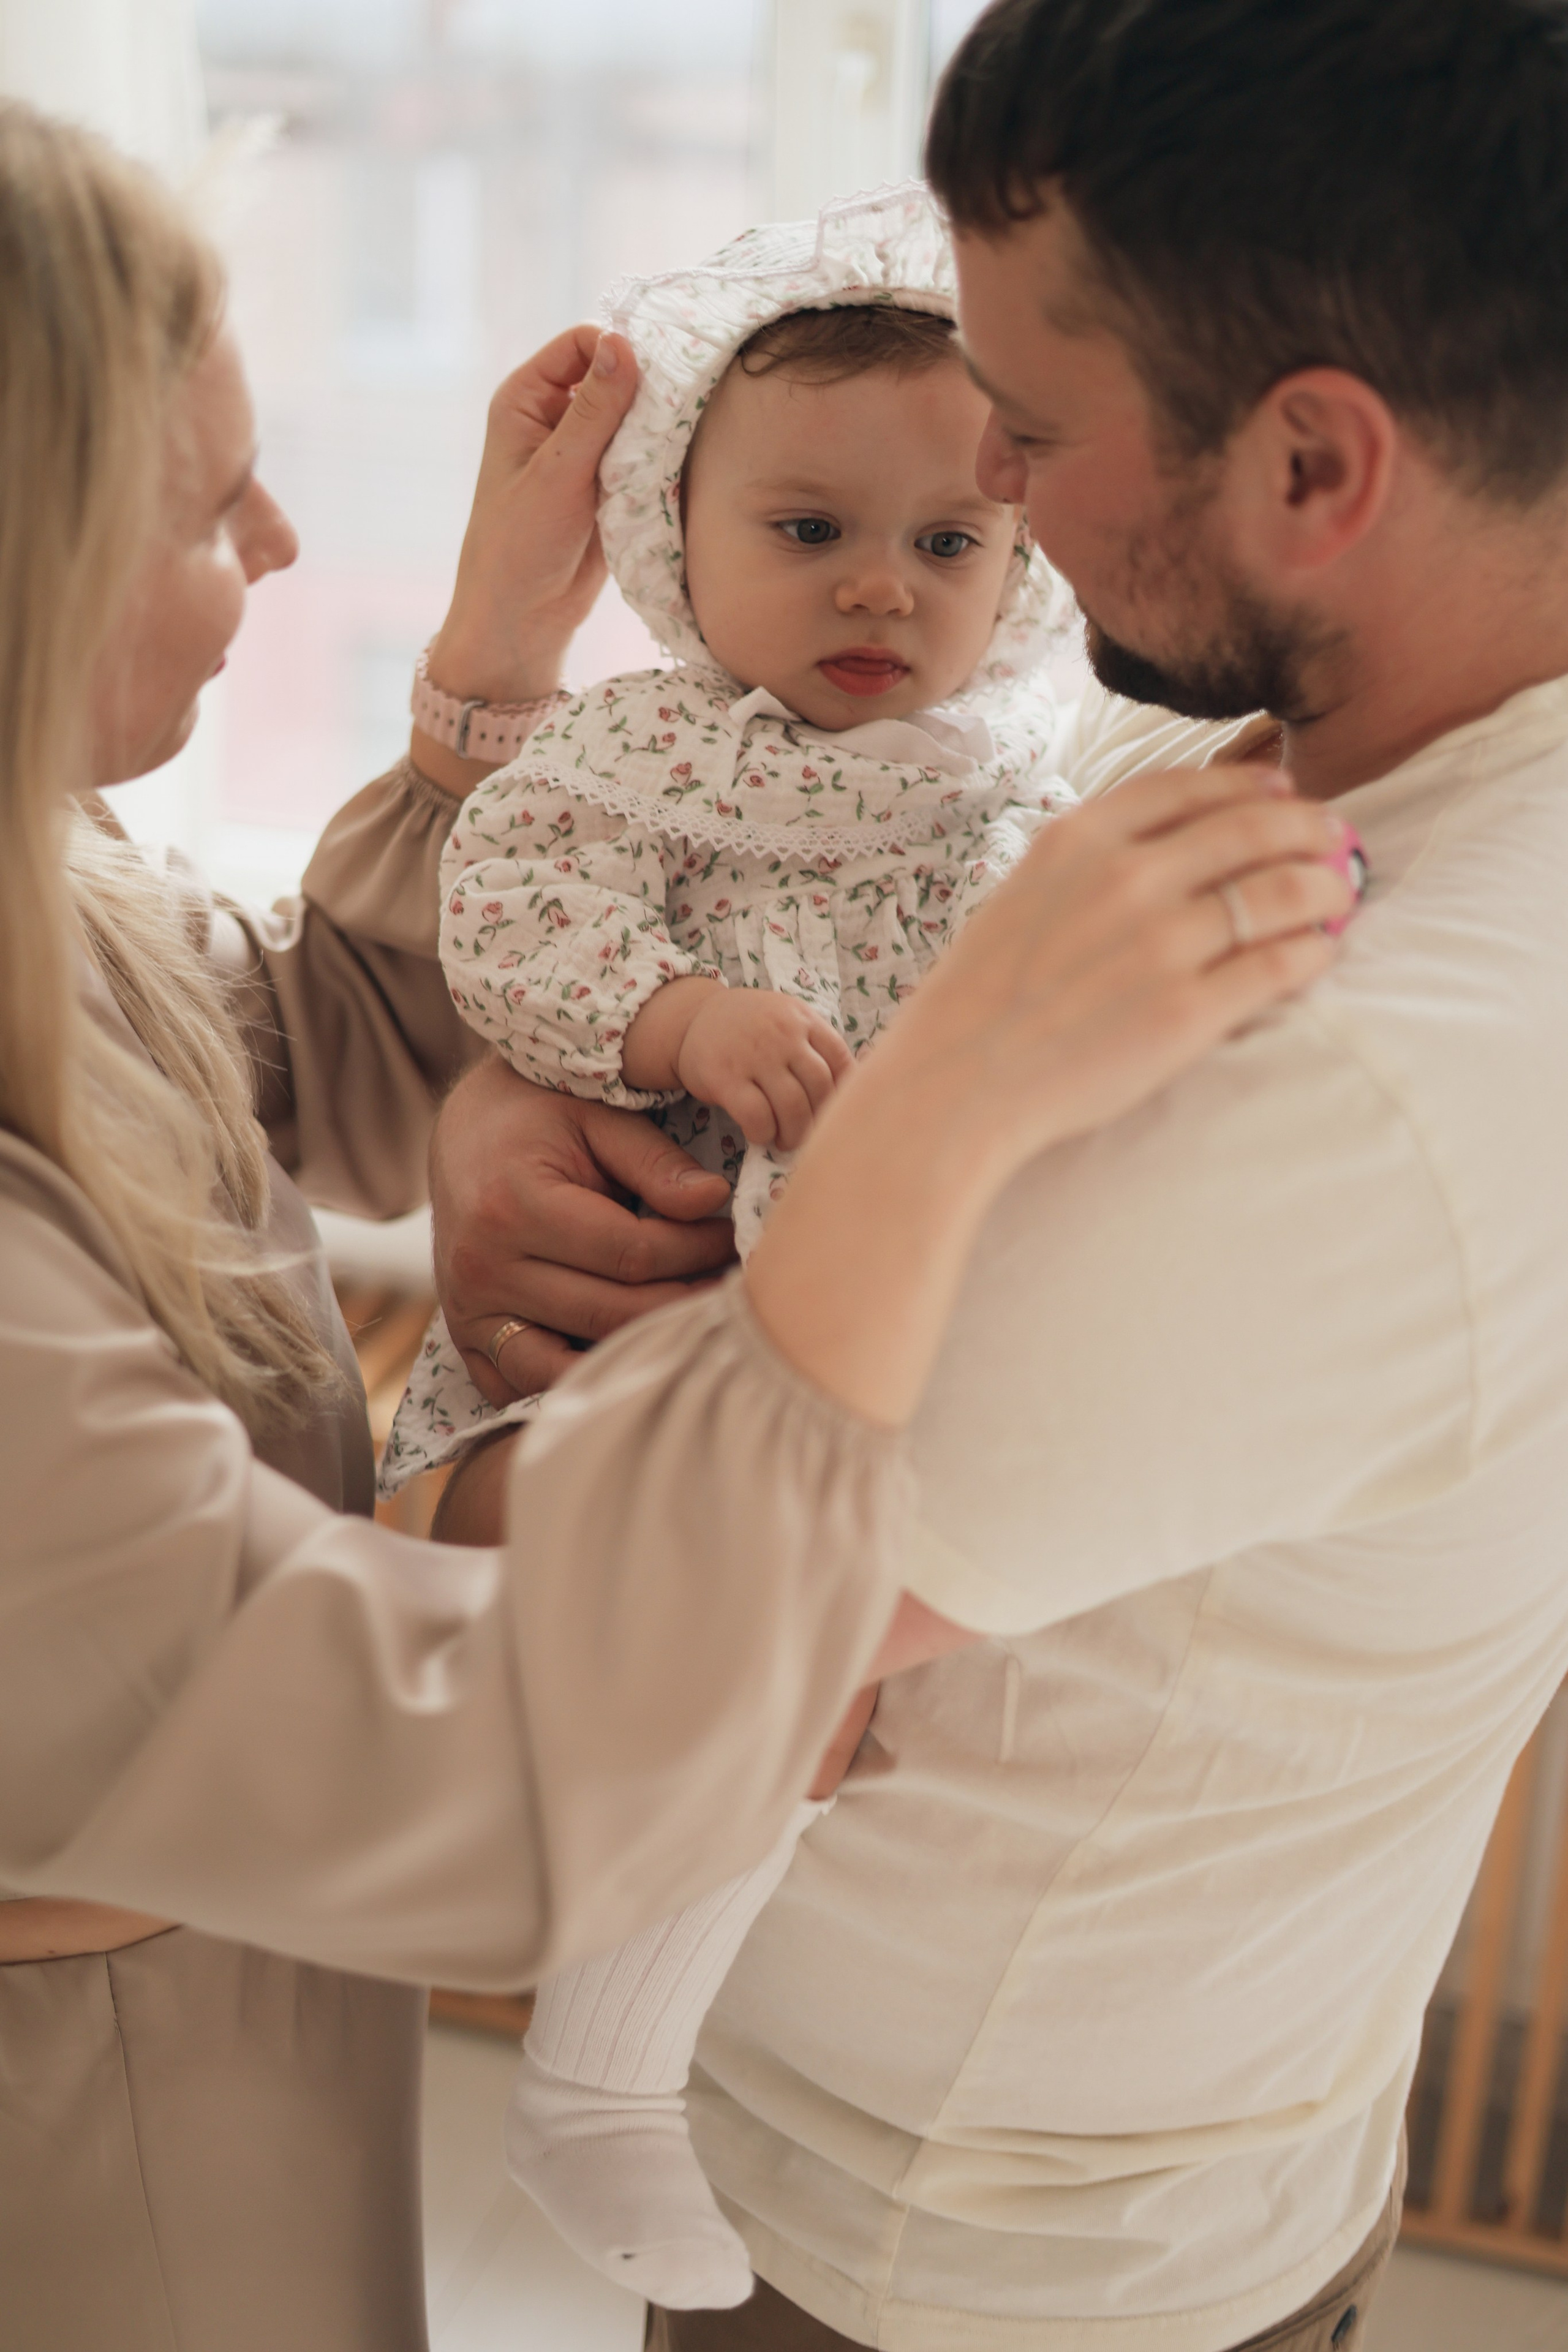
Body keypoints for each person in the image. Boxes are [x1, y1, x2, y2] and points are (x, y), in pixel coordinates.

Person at [0, 100, 1347, 2352]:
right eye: (199, 499)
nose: (280, 531)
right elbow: (458, 1773)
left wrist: (501, 656)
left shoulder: (66, 888)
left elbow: (320, 1034)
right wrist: (918, 1144)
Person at [428, 6, 1568, 2351]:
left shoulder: (1359, 1071)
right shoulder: (1367, 754)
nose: (997, 518)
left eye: (1029, 439)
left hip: (930, 2260)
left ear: (1316, 465)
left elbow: (645, 1608)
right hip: (1148, 2168)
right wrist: (529, 1085)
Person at [409, 187, 1071, 2310]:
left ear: (1022, 561)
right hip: (668, 1321)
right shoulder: (642, 747)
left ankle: (617, 2058)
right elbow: (499, 909)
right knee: (731, 1656)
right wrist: (675, 1023)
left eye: (949, 545)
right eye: (808, 533)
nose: (885, 584)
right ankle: (593, 2077)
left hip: (851, 1334)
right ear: (672, 547)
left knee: (820, 1700)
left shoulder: (1006, 801)